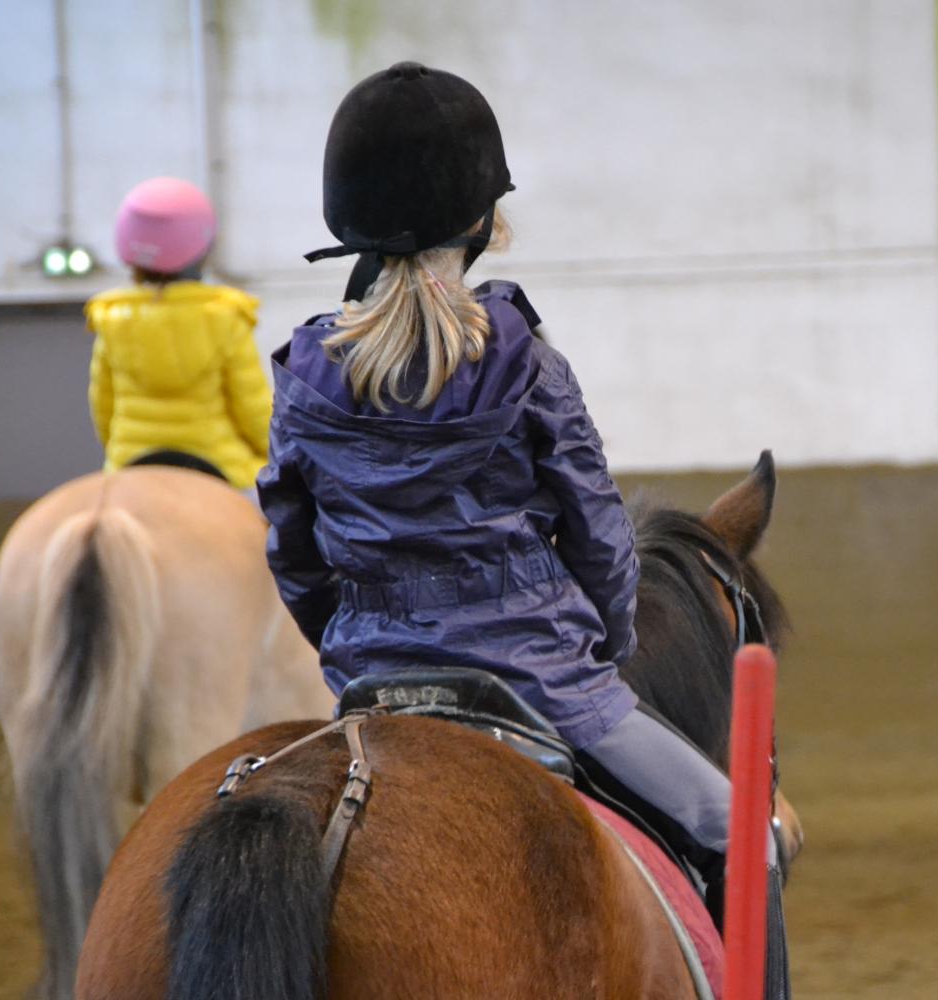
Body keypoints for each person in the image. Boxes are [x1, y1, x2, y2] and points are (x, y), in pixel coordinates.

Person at [257, 62, 789, 995]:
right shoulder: (528, 362)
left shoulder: (303, 372)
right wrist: (605, 651)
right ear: (480, 222)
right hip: (550, 680)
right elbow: (597, 538)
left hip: (374, 679)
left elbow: (292, 550)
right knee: (748, 832)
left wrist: (350, 651)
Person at [85, 177, 271, 489]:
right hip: (218, 466)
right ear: (202, 246)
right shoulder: (225, 317)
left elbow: (103, 410)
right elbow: (253, 413)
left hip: (128, 466)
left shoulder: (112, 319)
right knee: (279, 528)